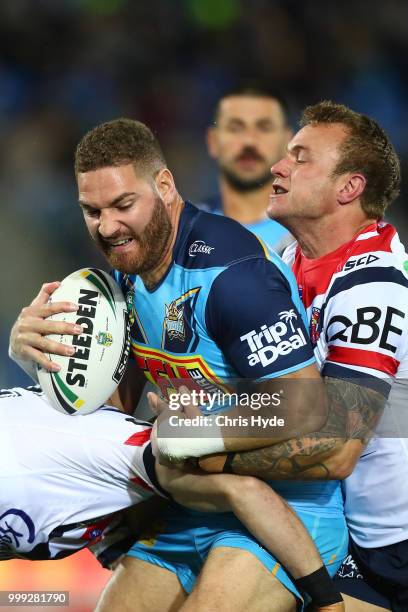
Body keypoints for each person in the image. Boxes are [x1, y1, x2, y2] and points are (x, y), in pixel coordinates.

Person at [9, 118, 347, 612]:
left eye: (124, 205)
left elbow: (309, 405)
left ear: (164, 186)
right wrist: (36, 359)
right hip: (194, 505)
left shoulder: (232, 276)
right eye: (92, 211)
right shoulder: (125, 276)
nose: (107, 227)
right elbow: (110, 411)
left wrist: (200, 433)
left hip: (288, 509)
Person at [192, 101, 406, 612]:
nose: (277, 166)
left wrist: (206, 449)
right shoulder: (283, 264)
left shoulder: (375, 285)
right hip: (339, 531)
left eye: (301, 157)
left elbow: (335, 450)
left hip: (394, 548)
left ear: (348, 188)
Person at [1, 383, 340, 612]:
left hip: (282, 514)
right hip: (178, 521)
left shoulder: (131, 455)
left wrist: (327, 601)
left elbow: (244, 492)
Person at [201, 85, 292, 253]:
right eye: (235, 128)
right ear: (212, 141)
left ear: (288, 141)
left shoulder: (310, 235)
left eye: (264, 128)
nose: (249, 141)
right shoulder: (181, 234)